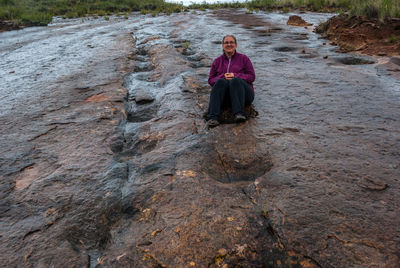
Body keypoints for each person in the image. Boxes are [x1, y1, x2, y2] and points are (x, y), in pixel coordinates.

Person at [206, 35, 255, 127]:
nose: (229, 44)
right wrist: (223, 76)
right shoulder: (217, 61)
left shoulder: (244, 59)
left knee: (235, 81)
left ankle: (239, 114)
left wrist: (235, 75)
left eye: (231, 42)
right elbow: (210, 80)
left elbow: (252, 77)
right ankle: (213, 117)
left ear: (236, 45)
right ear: (223, 46)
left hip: (244, 96)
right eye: (226, 42)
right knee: (220, 82)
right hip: (226, 97)